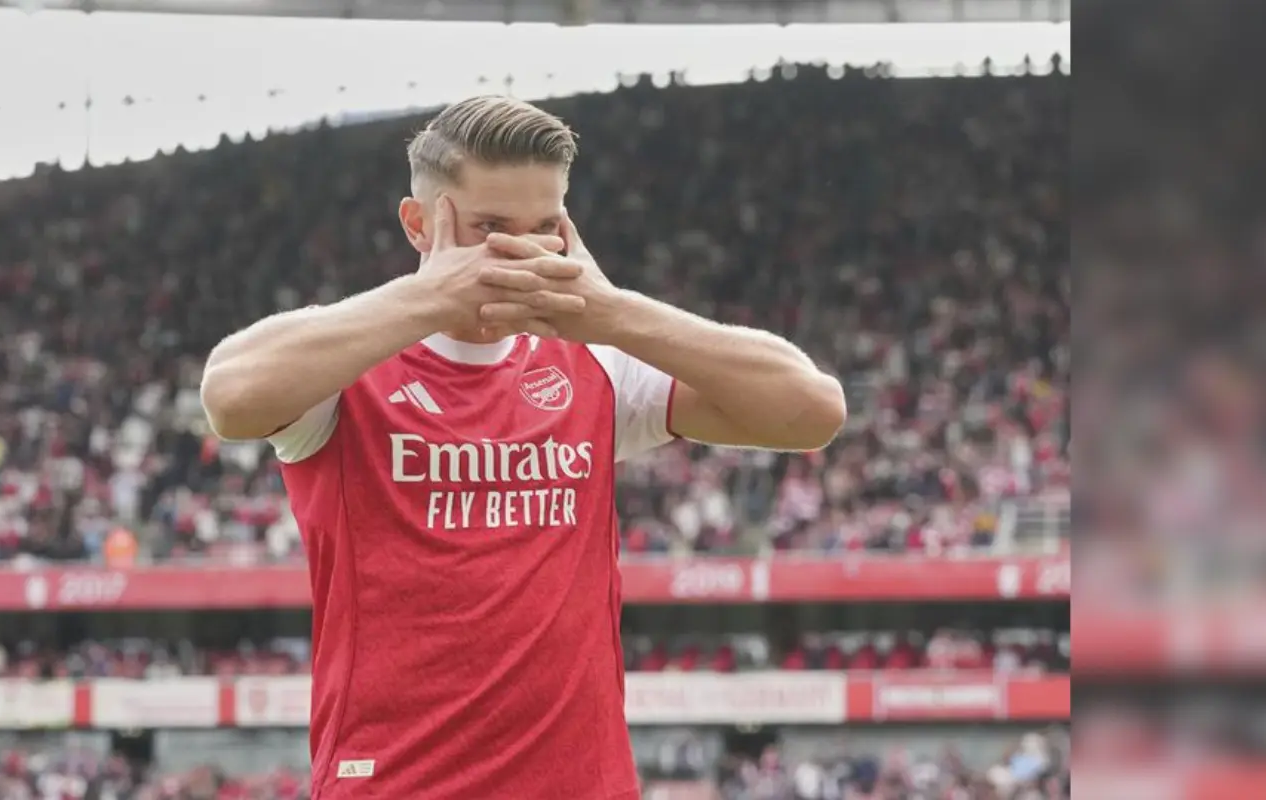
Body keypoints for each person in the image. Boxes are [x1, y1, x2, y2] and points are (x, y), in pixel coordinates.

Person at [200, 95, 845, 799]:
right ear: (419, 225)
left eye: (544, 229)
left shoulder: (597, 361)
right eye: (490, 229)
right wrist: (432, 298)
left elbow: (810, 412)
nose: (522, 254)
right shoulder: (347, 360)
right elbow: (230, 397)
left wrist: (615, 311)